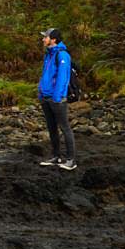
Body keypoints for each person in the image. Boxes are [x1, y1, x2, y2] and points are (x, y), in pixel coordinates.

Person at [37, 27, 77, 170]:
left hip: (57, 99)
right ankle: (56, 156)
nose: (43, 39)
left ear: (53, 39)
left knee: (65, 128)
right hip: (46, 97)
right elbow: (45, 75)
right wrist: (41, 93)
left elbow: (63, 78)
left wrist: (57, 96)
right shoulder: (48, 54)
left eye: (45, 37)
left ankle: (71, 160)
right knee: (52, 128)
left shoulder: (62, 55)